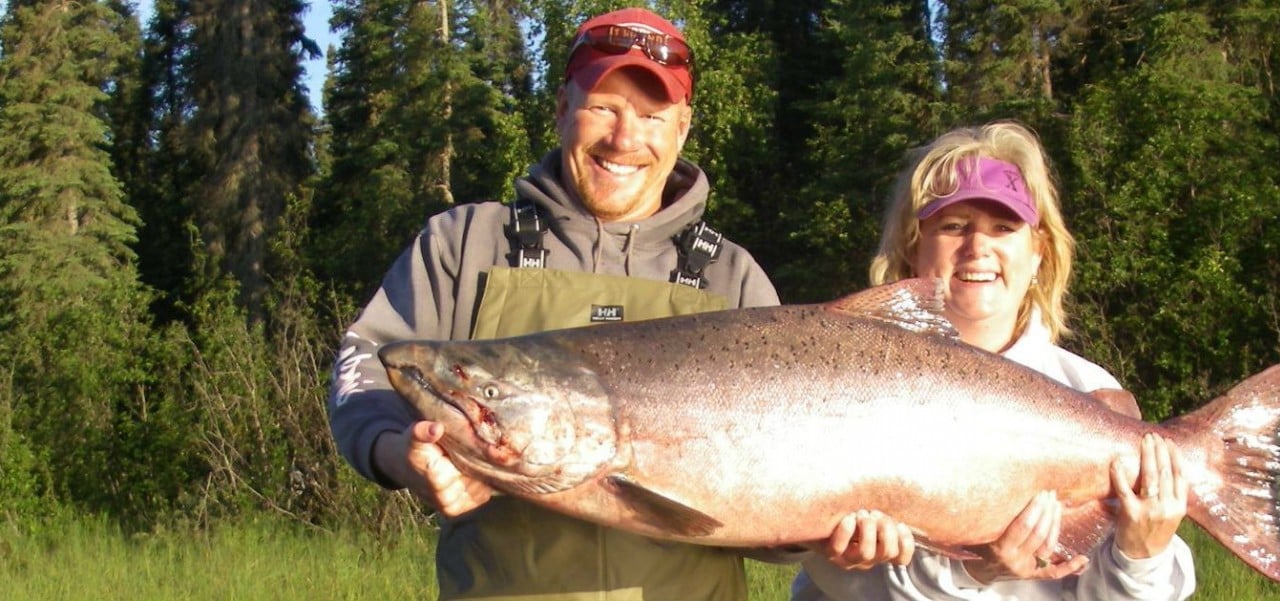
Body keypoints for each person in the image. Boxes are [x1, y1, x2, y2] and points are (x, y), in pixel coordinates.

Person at [325, 7, 862, 600]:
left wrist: (824, 531)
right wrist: (399, 454)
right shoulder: (465, 244)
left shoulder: (732, 278)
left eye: (652, 115)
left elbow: (771, 506)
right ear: (562, 110)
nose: (624, 139)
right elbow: (369, 359)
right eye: (604, 107)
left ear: (682, 129)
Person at [791, 122, 1198, 601]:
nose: (978, 247)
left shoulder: (1085, 391)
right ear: (912, 246)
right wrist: (976, 571)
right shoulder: (836, 380)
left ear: (1038, 253)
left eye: (1003, 228)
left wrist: (1141, 552)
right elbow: (836, 578)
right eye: (953, 226)